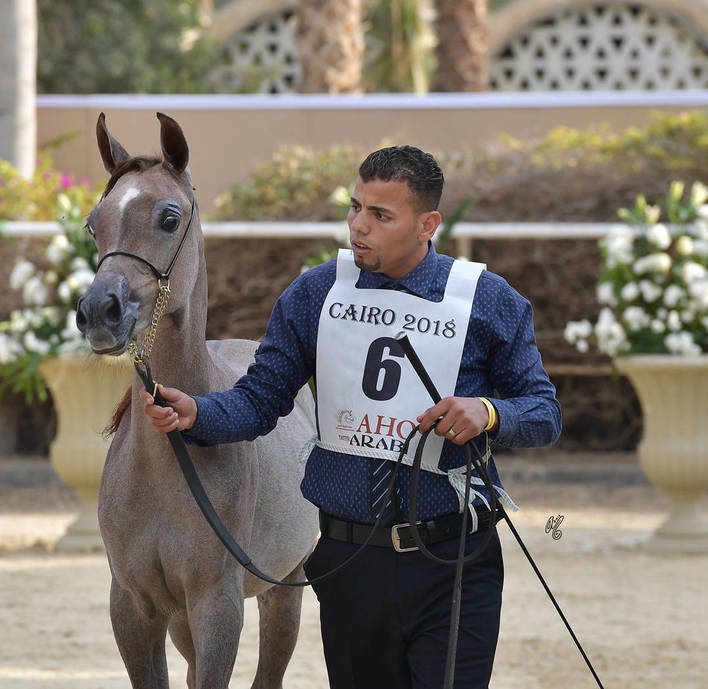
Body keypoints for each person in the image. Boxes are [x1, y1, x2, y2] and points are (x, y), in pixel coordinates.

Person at [138, 145, 561, 689]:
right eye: (355, 207)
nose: (358, 225)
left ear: (428, 224)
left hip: (456, 560)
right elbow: (260, 401)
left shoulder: (489, 300)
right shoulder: (314, 295)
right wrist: (198, 413)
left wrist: (489, 412)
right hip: (348, 562)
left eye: (380, 215)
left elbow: (543, 412)